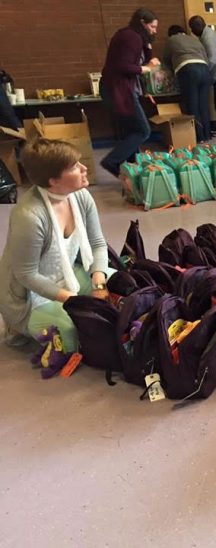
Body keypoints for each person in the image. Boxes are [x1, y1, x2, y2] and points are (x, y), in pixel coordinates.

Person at [0, 139, 110, 352]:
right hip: (29, 295)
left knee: (119, 285)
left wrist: (99, 284)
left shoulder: (81, 195)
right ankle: (17, 327)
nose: (84, 168)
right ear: (53, 181)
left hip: (65, 273)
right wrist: (74, 301)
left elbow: (98, 244)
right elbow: (27, 275)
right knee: (71, 334)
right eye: (74, 167)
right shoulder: (29, 216)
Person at [99, 7, 160, 177]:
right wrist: (146, 69)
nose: (154, 31)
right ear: (142, 23)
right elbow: (124, 66)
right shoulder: (130, 37)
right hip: (119, 90)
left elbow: (145, 59)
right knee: (142, 130)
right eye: (152, 27)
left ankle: (133, 171)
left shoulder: (135, 36)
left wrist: (148, 45)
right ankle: (112, 161)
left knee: (131, 131)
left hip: (118, 89)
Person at [163, 25, 212, 142]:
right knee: (204, 105)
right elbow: (206, 57)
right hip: (204, 69)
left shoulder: (171, 40)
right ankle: (207, 135)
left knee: (193, 105)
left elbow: (165, 60)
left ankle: (199, 137)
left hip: (188, 70)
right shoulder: (194, 39)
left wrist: (172, 72)